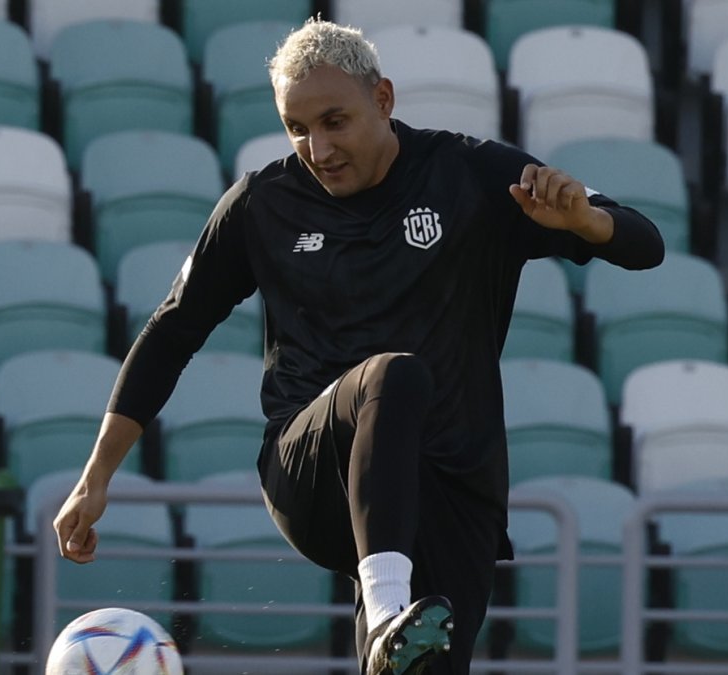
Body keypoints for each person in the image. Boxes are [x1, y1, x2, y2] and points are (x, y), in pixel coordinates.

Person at [53, 17, 664, 675]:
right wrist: (95, 477)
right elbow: (171, 331)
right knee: (391, 378)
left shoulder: (474, 175)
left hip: (454, 489)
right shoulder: (263, 205)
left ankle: (389, 631)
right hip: (312, 470)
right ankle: (383, 613)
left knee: (423, 667)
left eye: (334, 121)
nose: (316, 147)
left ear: (384, 99)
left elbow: (645, 243)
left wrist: (584, 220)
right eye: (296, 127)